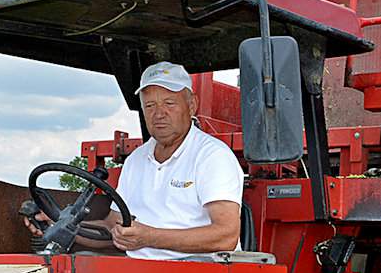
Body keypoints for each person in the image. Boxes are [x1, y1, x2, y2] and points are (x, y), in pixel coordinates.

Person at [25, 62, 244, 260]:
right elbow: (112, 229)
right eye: (150, 106)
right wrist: (60, 224)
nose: (159, 114)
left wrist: (149, 238)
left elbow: (225, 236)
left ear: (192, 104)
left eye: (169, 103)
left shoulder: (212, 156)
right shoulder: (137, 159)